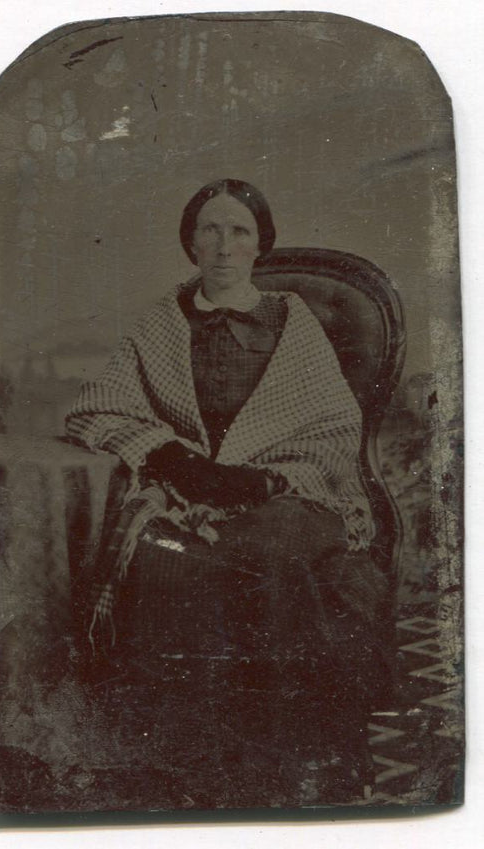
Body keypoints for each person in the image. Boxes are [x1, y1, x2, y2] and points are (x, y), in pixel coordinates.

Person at [65, 178, 389, 805]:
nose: (223, 244)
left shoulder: (291, 320)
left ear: (259, 244)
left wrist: (267, 478)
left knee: (265, 551)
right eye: (210, 229)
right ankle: (198, 755)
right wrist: (172, 459)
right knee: (167, 559)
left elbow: (333, 427)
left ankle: (305, 744)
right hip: (194, 493)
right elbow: (96, 409)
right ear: (190, 242)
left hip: (293, 491)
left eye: (238, 230)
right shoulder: (162, 323)